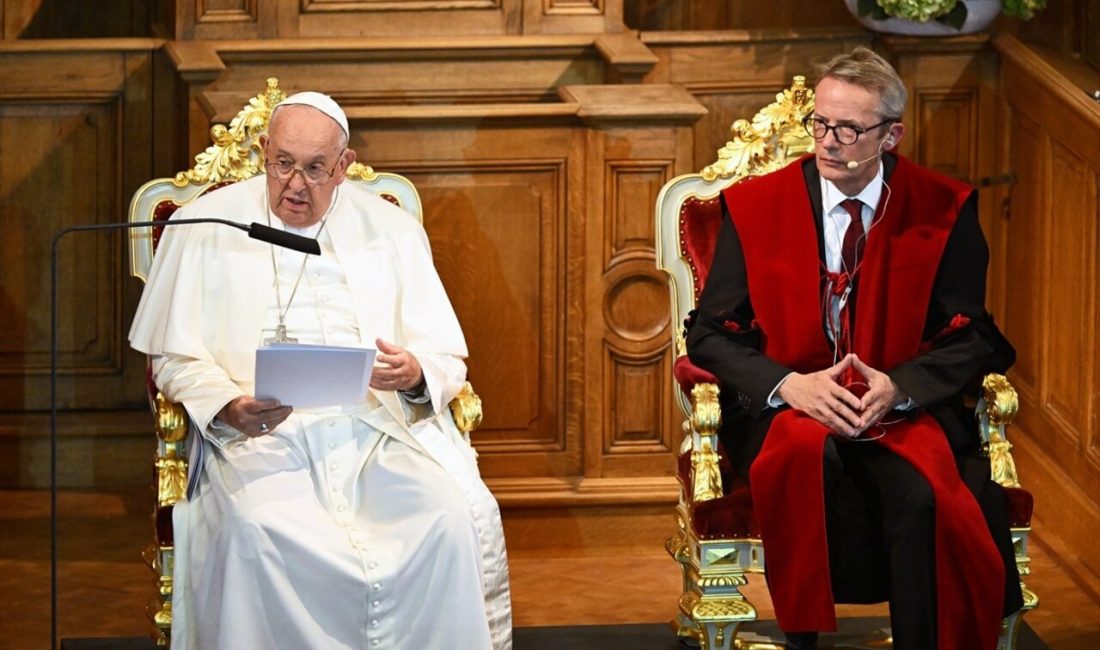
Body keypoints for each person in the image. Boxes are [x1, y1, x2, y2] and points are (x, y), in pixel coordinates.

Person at [129, 91, 512, 650]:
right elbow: (173, 357)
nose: (295, 185)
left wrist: (413, 372)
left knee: (448, 518)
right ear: (264, 151)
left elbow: (445, 356)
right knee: (253, 530)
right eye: (283, 164)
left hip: (376, 433)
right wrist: (227, 406)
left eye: (314, 169)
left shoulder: (391, 229)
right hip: (258, 439)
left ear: (344, 166)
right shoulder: (204, 224)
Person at [686, 47, 1022, 650]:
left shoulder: (943, 209)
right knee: (813, 469)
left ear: (891, 134)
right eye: (820, 123)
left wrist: (901, 386)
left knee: (926, 500)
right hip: (790, 405)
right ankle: (804, 641)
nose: (828, 141)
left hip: (898, 410)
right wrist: (790, 385)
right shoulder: (756, 207)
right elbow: (709, 332)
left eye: (849, 129)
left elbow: (973, 335)